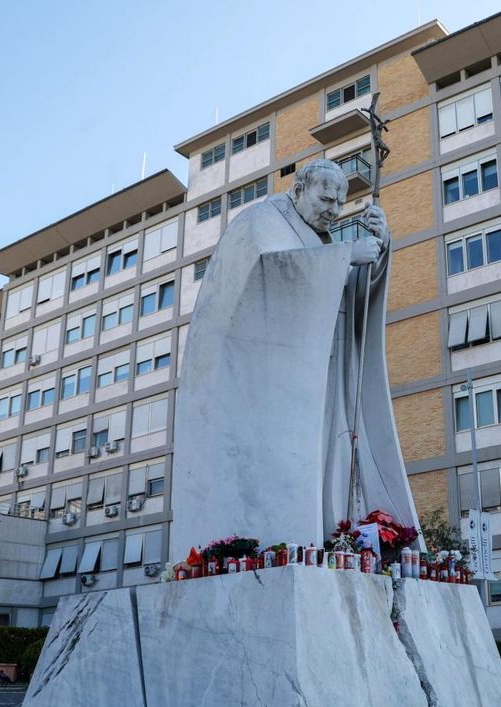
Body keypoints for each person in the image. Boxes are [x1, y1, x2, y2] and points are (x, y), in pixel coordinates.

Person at [171, 159, 422, 551]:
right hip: (277, 386)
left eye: (339, 205)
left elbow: (349, 300)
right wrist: (344, 256)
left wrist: (379, 250)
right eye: (325, 199)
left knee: (333, 456)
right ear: (300, 189)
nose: (333, 211)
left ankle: (334, 535)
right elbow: (267, 279)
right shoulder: (262, 222)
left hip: (327, 369)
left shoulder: (318, 239)